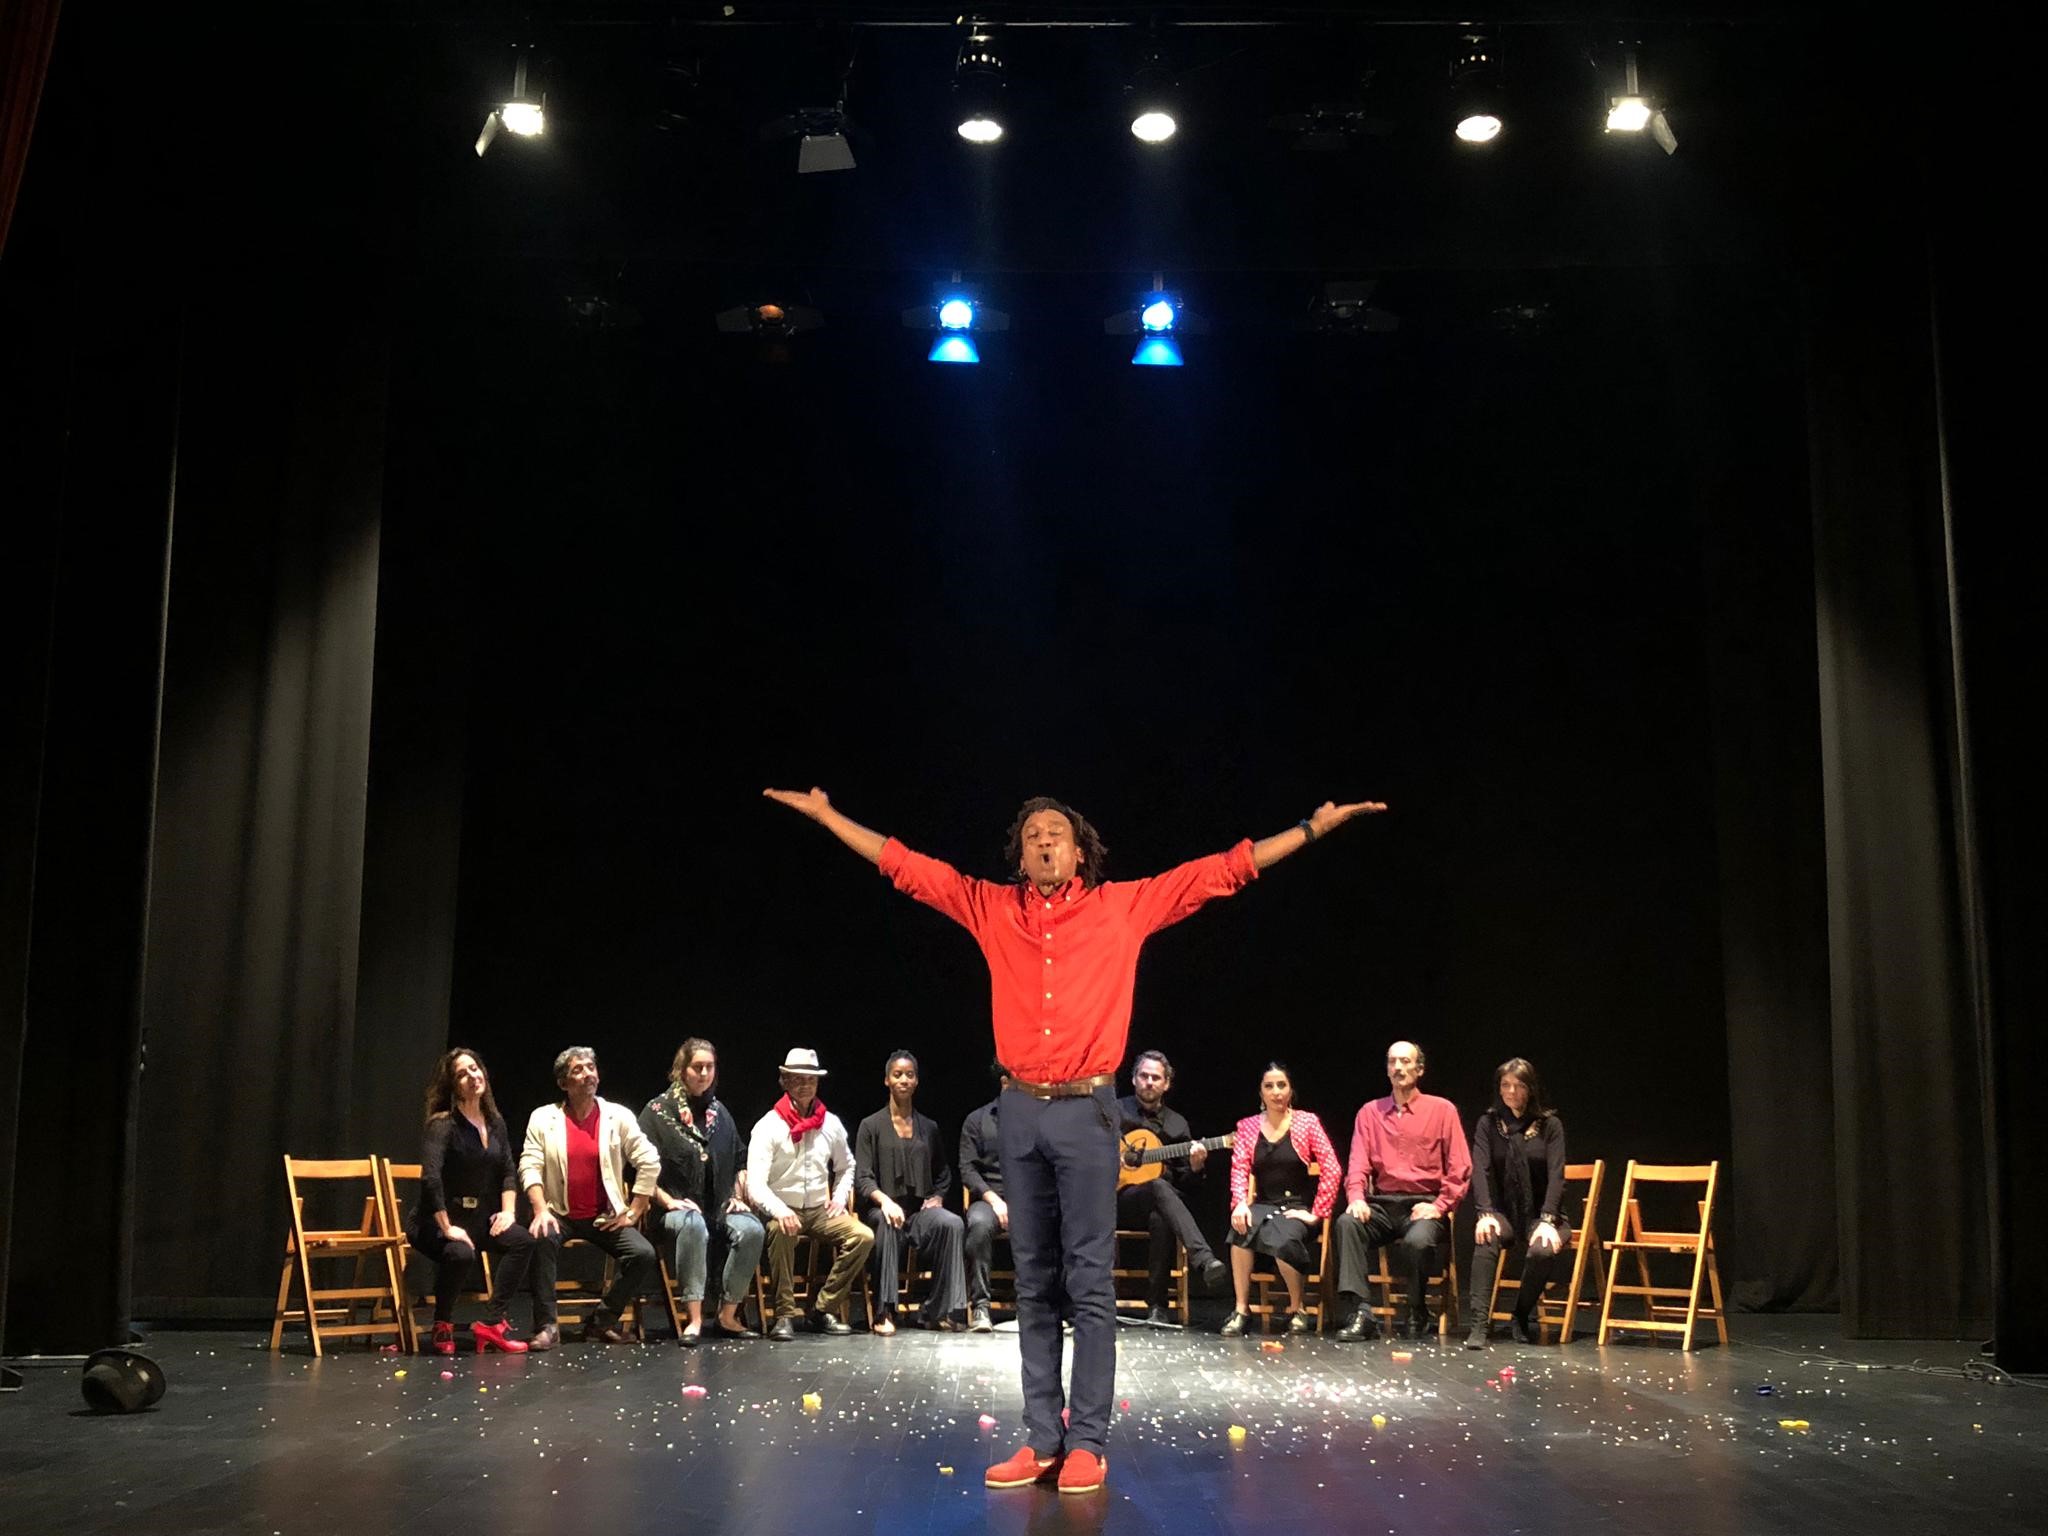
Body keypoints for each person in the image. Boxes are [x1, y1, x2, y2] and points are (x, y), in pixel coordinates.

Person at [764, 785, 1385, 1495]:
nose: (1043, 841)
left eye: (1055, 832)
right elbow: (906, 867)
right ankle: (1041, 1438)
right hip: (1019, 1110)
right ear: (1020, 854)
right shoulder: (992, 907)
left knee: (1088, 1280)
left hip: (1088, 1112)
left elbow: (1222, 871)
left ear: (1080, 850)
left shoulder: (1123, 907)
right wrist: (829, 817)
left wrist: (1309, 828)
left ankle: (1086, 1441)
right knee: (1033, 1281)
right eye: (1032, 835)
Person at [520, 1046, 663, 1346]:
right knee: (541, 1238)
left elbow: (649, 1160)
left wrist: (635, 1209)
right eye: (578, 1070)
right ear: (563, 1083)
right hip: (559, 1213)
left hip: (603, 1216)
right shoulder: (543, 1118)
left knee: (642, 1254)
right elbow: (530, 1165)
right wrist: (540, 1209)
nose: (588, 1074)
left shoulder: (617, 1116)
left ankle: (602, 1322)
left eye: (591, 1067)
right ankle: (547, 1326)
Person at [1333, 1039, 1472, 1341]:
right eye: (1392, 1061)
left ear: (1419, 1069)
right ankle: (1362, 1313)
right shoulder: (1369, 1113)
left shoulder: (1442, 1110)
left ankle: (1417, 1309)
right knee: (1347, 1223)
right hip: (1382, 1204)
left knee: (1418, 1241)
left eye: (1405, 1061)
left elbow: (1460, 1166)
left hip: (1423, 1204)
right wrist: (1356, 1197)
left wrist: (1440, 1205)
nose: (1398, 1067)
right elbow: (1357, 1164)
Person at [639, 1037, 767, 1344]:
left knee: (752, 1230)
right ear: (682, 1070)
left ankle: (727, 1315)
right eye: (698, 1067)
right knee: (693, 1224)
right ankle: (694, 1318)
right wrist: (668, 1201)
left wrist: (737, 1194)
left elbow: (739, 1159)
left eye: (710, 1067)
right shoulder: (657, 1113)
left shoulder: (719, 1113)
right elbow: (637, 1169)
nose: (705, 1073)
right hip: (672, 1209)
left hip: (718, 1207)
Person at [409, 1048, 537, 1353]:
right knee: (461, 1253)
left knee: (522, 1241)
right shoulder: (443, 1124)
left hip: (477, 1218)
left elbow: (508, 1171)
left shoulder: (495, 1123)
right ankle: (442, 1324)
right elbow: (430, 1178)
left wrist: (508, 1212)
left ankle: (492, 1322)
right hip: (434, 1221)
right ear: (452, 1085)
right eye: (462, 1074)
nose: (472, 1076)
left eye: (474, 1068)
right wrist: (447, 1227)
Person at [746, 1047, 873, 1340]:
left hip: (818, 1209)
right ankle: (784, 1315)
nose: (805, 1085)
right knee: (780, 1232)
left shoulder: (831, 1124)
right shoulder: (768, 1126)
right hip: (782, 1208)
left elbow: (847, 1165)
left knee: (862, 1236)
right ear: (785, 1081)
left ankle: (822, 1309)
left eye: (811, 1080)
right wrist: (780, 1210)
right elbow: (756, 1183)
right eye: (798, 1079)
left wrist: (839, 1197)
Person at [1220, 1061, 1342, 1336]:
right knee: (1240, 1228)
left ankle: (1297, 1308)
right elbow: (1239, 1169)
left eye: (1281, 1085)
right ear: (1261, 1092)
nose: (1276, 1092)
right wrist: (1240, 1203)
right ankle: (1241, 1309)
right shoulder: (1248, 1126)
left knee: (1284, 1236)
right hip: (1263, 1204)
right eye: (1269, 1086)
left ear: (1290, 1090)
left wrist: (1317, 1212)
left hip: (1296, 1207)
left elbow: (1332, 1168)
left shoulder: (1307, 1122)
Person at [854, 1050, 968, 1334]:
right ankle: (884, 1311)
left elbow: (943, 1172)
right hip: (883, 1209)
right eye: (897, 1075)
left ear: (916, 1081)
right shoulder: (870, 1125)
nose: (903, 1080)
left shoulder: (929, 1128)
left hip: (918, 1213)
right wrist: (885, 1202)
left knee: (952, 1224)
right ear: (887, 1080)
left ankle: (936, 1311)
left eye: (909, 1075)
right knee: (887, 1223)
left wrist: (938, 1197)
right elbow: (863, 1177)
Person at [1115, 1049, 1228, 1326]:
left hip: (1156, 1203)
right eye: (1144, 1076)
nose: (1149, 1082)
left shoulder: (1177, 1124)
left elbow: (1187, 1186)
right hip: (1115, 1200)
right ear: (1134, 1079)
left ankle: (1157, 1307)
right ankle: (1203, 1258)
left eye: (1156, 1078)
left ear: (1166, 1084)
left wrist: (1196, 1167)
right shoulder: (1115, 1112)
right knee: (1158, 1188)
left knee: (1161, 1210)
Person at [1463, 1057, 1570, 1348]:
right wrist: (1485, 1213)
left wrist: (1547, 1220)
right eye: (1505, 1085)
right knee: (1487, 1236)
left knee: (1542, 1250)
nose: (1511, 1092)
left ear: (1531, 1088)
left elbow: (1557, 1176)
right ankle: (1479, 1324)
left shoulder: (1550, 1126)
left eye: (1519, 1086)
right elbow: (1480, 1170)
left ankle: (1521, 1314)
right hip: (1504, 1212)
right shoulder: (1488, 1124)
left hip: (1543, 1213)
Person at [958, 1069, 1009, 1332]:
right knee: (978, 1224)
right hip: (989, 1198)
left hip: (1026, 1200)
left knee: (1057, 1221)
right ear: (1005, 1083)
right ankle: (980, 1306)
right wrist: (994, 1200)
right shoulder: (978, 1120)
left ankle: (1046, 1307)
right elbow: (967, 1168)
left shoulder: (1036, 1121)